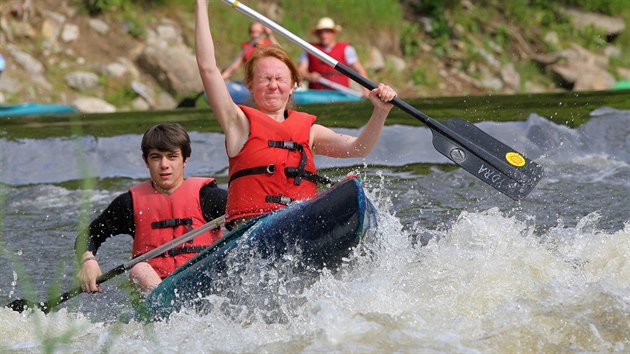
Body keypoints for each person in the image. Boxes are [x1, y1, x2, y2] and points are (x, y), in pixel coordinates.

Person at [195, 0, 396, 229]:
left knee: (348, 191)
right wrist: (201, 5)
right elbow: (207, 68)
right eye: (264, 79)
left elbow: (359, 148)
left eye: (280, 79)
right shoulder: (237, 123)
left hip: (300, 227)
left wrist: (379, 113)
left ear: (292, 86)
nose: (273, 85)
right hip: (252, 234)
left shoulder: (310, 132)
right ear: (251, 86)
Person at [75, 123, 227, 294]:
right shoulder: (129, 204)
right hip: (153, 289)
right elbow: (89, 236)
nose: (164, 164)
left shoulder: (209, 197)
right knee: (138, 269)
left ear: (185, 159)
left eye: (172, 156)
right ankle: (165, 304)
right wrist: (88, 260)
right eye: (156, 157)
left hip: (205, 284)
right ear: (145, 160)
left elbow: (246, 224)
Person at [298, 17, 370, 96]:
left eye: (327, 32)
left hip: (342, 95)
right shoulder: (309, 49)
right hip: (316, 95)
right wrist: (309, 75)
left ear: (334, 33)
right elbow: (301, 71)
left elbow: (359, 70)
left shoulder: (346, 49)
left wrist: (366, 91)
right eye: (321, 32)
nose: (324, 35)